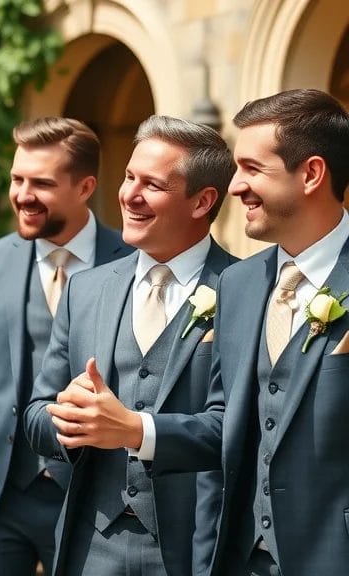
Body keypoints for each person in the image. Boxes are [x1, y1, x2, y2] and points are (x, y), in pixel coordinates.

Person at [25, 115, 237, 576]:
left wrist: (136, 430)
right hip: (89, 546)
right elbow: (35, 414)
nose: (129, 195)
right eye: (128, 177)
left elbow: (241, 429)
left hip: (195, 549)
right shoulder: (86, 289)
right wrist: (67, 418)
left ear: (203, 201)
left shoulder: (244, 291)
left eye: (152, 185)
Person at [151, 89, 349, 576]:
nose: (235, 186)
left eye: (252, 168)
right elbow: (227, 429)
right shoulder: (236, 284)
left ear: (312, 174)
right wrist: (138, 430)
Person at [0, 117, 130, 575]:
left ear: (86, 186)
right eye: (17, 179)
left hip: (94, 499)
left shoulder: (131, 263)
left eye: (42, 183)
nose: (23, 194)